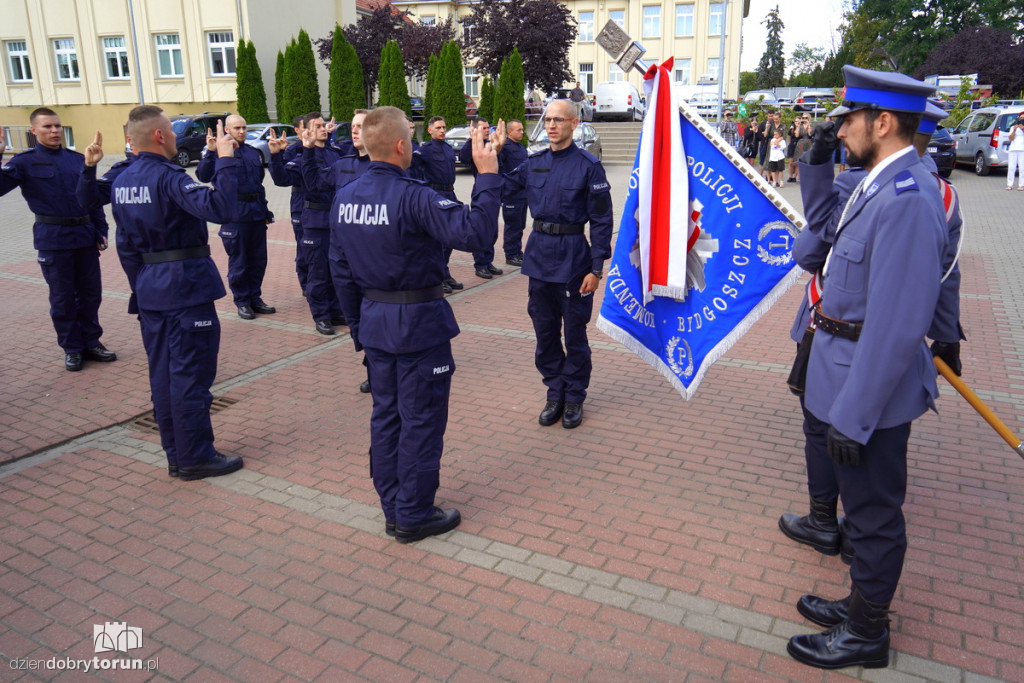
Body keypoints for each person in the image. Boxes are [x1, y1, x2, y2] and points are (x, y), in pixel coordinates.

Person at [782, 66, 945, 671]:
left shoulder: (905, 197)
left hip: (867, 388)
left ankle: (868, 633)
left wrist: (853, 414)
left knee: (874, 517)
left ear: (882, 123)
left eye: (850, 118)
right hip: (844, 370)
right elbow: (819, 236)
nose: (840, 127)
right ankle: (858, 604)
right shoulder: (881, 181)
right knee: (861, 509)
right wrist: (817, 162)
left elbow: (899, 323)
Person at [328, 106, 503, 543]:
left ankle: (393, 506)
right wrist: (486, 176)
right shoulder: (415, 195)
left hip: (375, 322)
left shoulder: (345, 196)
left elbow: (340, 269)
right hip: (418, 324)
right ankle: (413, 514)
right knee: (420, 419)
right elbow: (476, 235)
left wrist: (358, 326)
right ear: (402, 145)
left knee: (386, 417)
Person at [106, 105, 244, 480]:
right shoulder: (168, 177)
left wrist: (143, 285)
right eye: (171, 129)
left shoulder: (122, 181)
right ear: (159, 136)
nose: (175, 136)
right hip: (184, 288)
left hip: (152, 289)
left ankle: (177, 454)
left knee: (164, 376)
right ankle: (196, 456)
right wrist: (226, 160)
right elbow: (221, 207)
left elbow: (126, 246)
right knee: (190, 376)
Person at [504, 99, 613, 429]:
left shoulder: (588, 166)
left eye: (558, 120)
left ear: (574, 124)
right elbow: (505, 188)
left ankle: (575, 395)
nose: (551, 125)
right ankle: (555, 391)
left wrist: (596, 269)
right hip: (539, 257)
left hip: (574, 260)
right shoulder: (533, 163)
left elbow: (601, 220)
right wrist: (489, 162)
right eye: (546, 119)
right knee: (545, 332)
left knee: (575, 334)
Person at [0, 108, 118, 371]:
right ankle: (72, 348)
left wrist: (101, 230)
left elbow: (92, 198)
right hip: (53, 239)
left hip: (84, 236)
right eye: (47, 127)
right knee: (63, 298)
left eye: (57, 126)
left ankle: (91, 342)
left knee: (90, 295)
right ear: (34, 131)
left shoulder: (77, 159)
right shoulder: (24, 161)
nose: (54, 131)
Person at [268, 112, 347, 336]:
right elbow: (282, 179)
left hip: (336, 220)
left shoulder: (336, 154)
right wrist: (275, 157)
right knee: (318, 272)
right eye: (318, 126)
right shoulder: (303, 157)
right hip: (315, 221)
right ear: (307, 132)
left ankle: (335, 311)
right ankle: (321, 316)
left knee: (336, 270)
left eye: (324, 125)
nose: (324, 128)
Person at [196, 114, 275, 320]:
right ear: (227, 130)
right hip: (234, 215)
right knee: (239, 262)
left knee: (258, 261)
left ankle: (255, 298)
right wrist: (212, 152)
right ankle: (242, 301)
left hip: (255, 214)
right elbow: (203, 176)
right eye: (237, 128)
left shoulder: (252, 153)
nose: (241, 131)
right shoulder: (219, 153)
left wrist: (265, 211)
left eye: (244, 127)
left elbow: (259, 186)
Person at [409, 116, 464, 293]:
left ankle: (444, 272)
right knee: (437, 240)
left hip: (450, 192)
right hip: (435, 194)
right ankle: (438, 276)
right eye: (438, 127)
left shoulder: (448, 148)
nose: (442, 130)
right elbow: (412, 168)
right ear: (429, 130)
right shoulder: (425, 150)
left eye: (444, 127)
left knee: (451, 237)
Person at [459, 117, 505, 279]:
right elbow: (464, 158)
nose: (487, 130)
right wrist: (472, 138)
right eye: (484, 128)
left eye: (488, 128)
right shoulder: (474, 146)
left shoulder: (492, 144)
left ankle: (488, 261)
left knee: (492, 229)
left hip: (494, 189)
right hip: (481, 190)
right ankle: (480, 265)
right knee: (480, 228)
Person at [499, 119, 529, 266]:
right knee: (512, 225)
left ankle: (517, 252)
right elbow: (501, 171)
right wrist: (507, 187)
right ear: (509, 132)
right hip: (512, 194)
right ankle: (510, 255)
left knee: (520, 225)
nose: (522, 132)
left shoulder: (522, 148)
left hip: (523, 194)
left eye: (522, 129)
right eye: (519, 130)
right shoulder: (504, 148)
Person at [1006, 113, 1024, 190]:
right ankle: (1010, 184)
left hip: (1022, 149)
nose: (1022, 119)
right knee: (1011, 167)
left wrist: (1022, 129)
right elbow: (1010, 138)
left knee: (1022, 168)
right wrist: (1014, 130)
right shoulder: (1013, 127)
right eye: (1021, 117)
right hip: (1013, 149)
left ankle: (1021, 185)